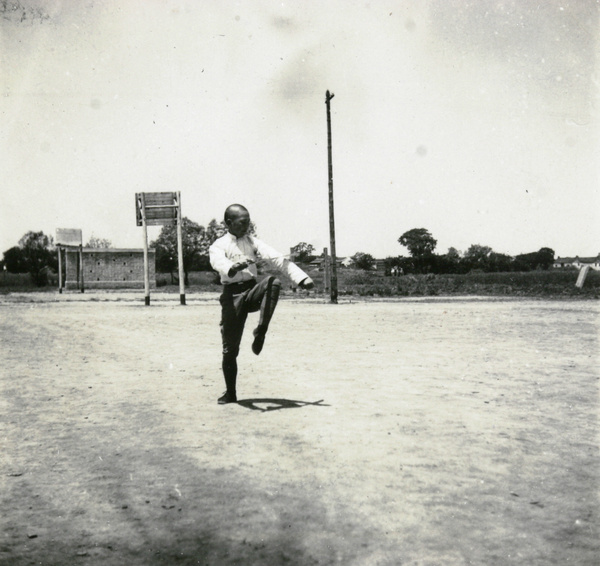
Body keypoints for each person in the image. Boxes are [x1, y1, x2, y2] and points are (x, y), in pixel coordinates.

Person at [209, 204, 314, 404]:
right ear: (228, 223)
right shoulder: (218, 245)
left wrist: (301, 278)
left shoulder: (252, 241)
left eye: (249, 222)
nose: (247, 226)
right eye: (242, 222)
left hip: (251, 290)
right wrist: (231, 268)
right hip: (232, 297)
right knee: (230, 350)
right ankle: (230, 393)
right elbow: (217, 262)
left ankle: (261, 330)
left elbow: (276, 258)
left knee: (272, 282)